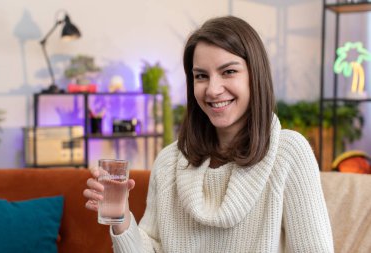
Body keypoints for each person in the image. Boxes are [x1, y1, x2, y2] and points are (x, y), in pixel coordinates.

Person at [83, 15, 334, 252]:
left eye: (229, 71)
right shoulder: (169, 161)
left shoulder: (288, 153)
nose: (212, 90)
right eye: (201, 76)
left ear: (255, 76)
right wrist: (121, 216)